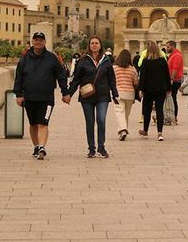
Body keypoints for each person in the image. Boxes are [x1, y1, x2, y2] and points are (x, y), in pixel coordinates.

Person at [13, 31, 70, 161]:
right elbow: (19, 78)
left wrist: (65, 92)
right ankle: (36, 146)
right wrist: (18, 94)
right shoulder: (25, 59)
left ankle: (42, 147)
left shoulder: (52, 58)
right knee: (33, 123)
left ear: (44, 42)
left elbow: (61, 76)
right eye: (36, 40)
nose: (38, 42)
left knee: (43, 123)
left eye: (41, 40)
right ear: (32, 41)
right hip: (29, 97)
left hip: (46, 98)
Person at [70, 36, 119, 158]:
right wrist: (69, 94)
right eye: (92, 43)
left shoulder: (106, 61)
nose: (94, 45)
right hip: (87, 96)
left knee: (101, 120)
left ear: (100, 45)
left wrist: (115, 94)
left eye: (96, 43)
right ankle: (91, 148)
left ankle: (101, 147)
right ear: (89, 45)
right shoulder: (83, 60)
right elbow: (76, 79)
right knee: (90, 121)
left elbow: (112, 79)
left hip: (103, 95)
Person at [137, 42, 173, 141]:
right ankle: (160, 133)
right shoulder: (162, 61)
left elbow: (142, 77)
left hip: (148, 89)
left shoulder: (146, 62)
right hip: (161, 89)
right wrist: (169, 89)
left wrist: (140, 89)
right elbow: (167, 75)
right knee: (159, 110)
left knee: (147, 110)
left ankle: (145, 131)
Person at [112, 49, 139, 141]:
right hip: (130, 94)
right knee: (126, 114)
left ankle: (123, 130)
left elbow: (111, 80)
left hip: (118, 92)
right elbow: (136, 82)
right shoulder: (132, 69)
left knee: (119, 112)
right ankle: (123, 131)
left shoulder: (114, 68)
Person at [166, 40, 184, 125]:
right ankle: (170, 115)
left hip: (175, 80)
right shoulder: (173, 55)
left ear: (173, 46)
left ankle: (174, 116)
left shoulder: (177, 55)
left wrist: (171, 79)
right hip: (173, 80)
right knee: (171, 98)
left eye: (168, 47)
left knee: (173, 98)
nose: (166, 48)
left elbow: (175, 68)